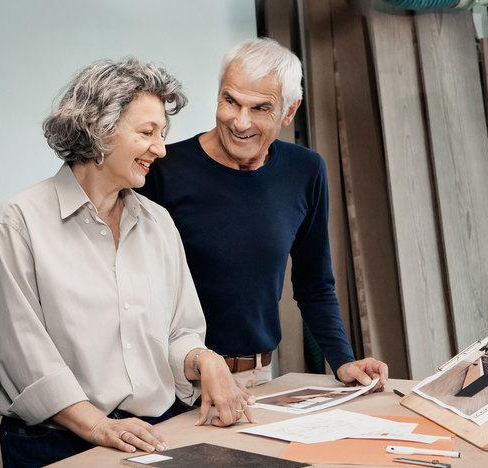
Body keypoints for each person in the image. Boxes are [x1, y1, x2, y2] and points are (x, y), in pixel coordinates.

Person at [0, 58, 253, 468]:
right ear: (98, 128)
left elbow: (178, 332)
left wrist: (204, 359)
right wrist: (98, 426)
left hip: (152, 434)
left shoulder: (158, 222)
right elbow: (24, 357)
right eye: (147, 133)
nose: (160, 149)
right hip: (56, 445)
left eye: (162, 134)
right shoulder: (18, 223)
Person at [137, 38, 388, 392]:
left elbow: (315, 285)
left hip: (255, 378)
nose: (240, 122)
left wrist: (343, 361)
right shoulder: (162, 169)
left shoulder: (306, 171)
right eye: (230, 101)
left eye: (260, 108)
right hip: (173, 379)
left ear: (289, 111)